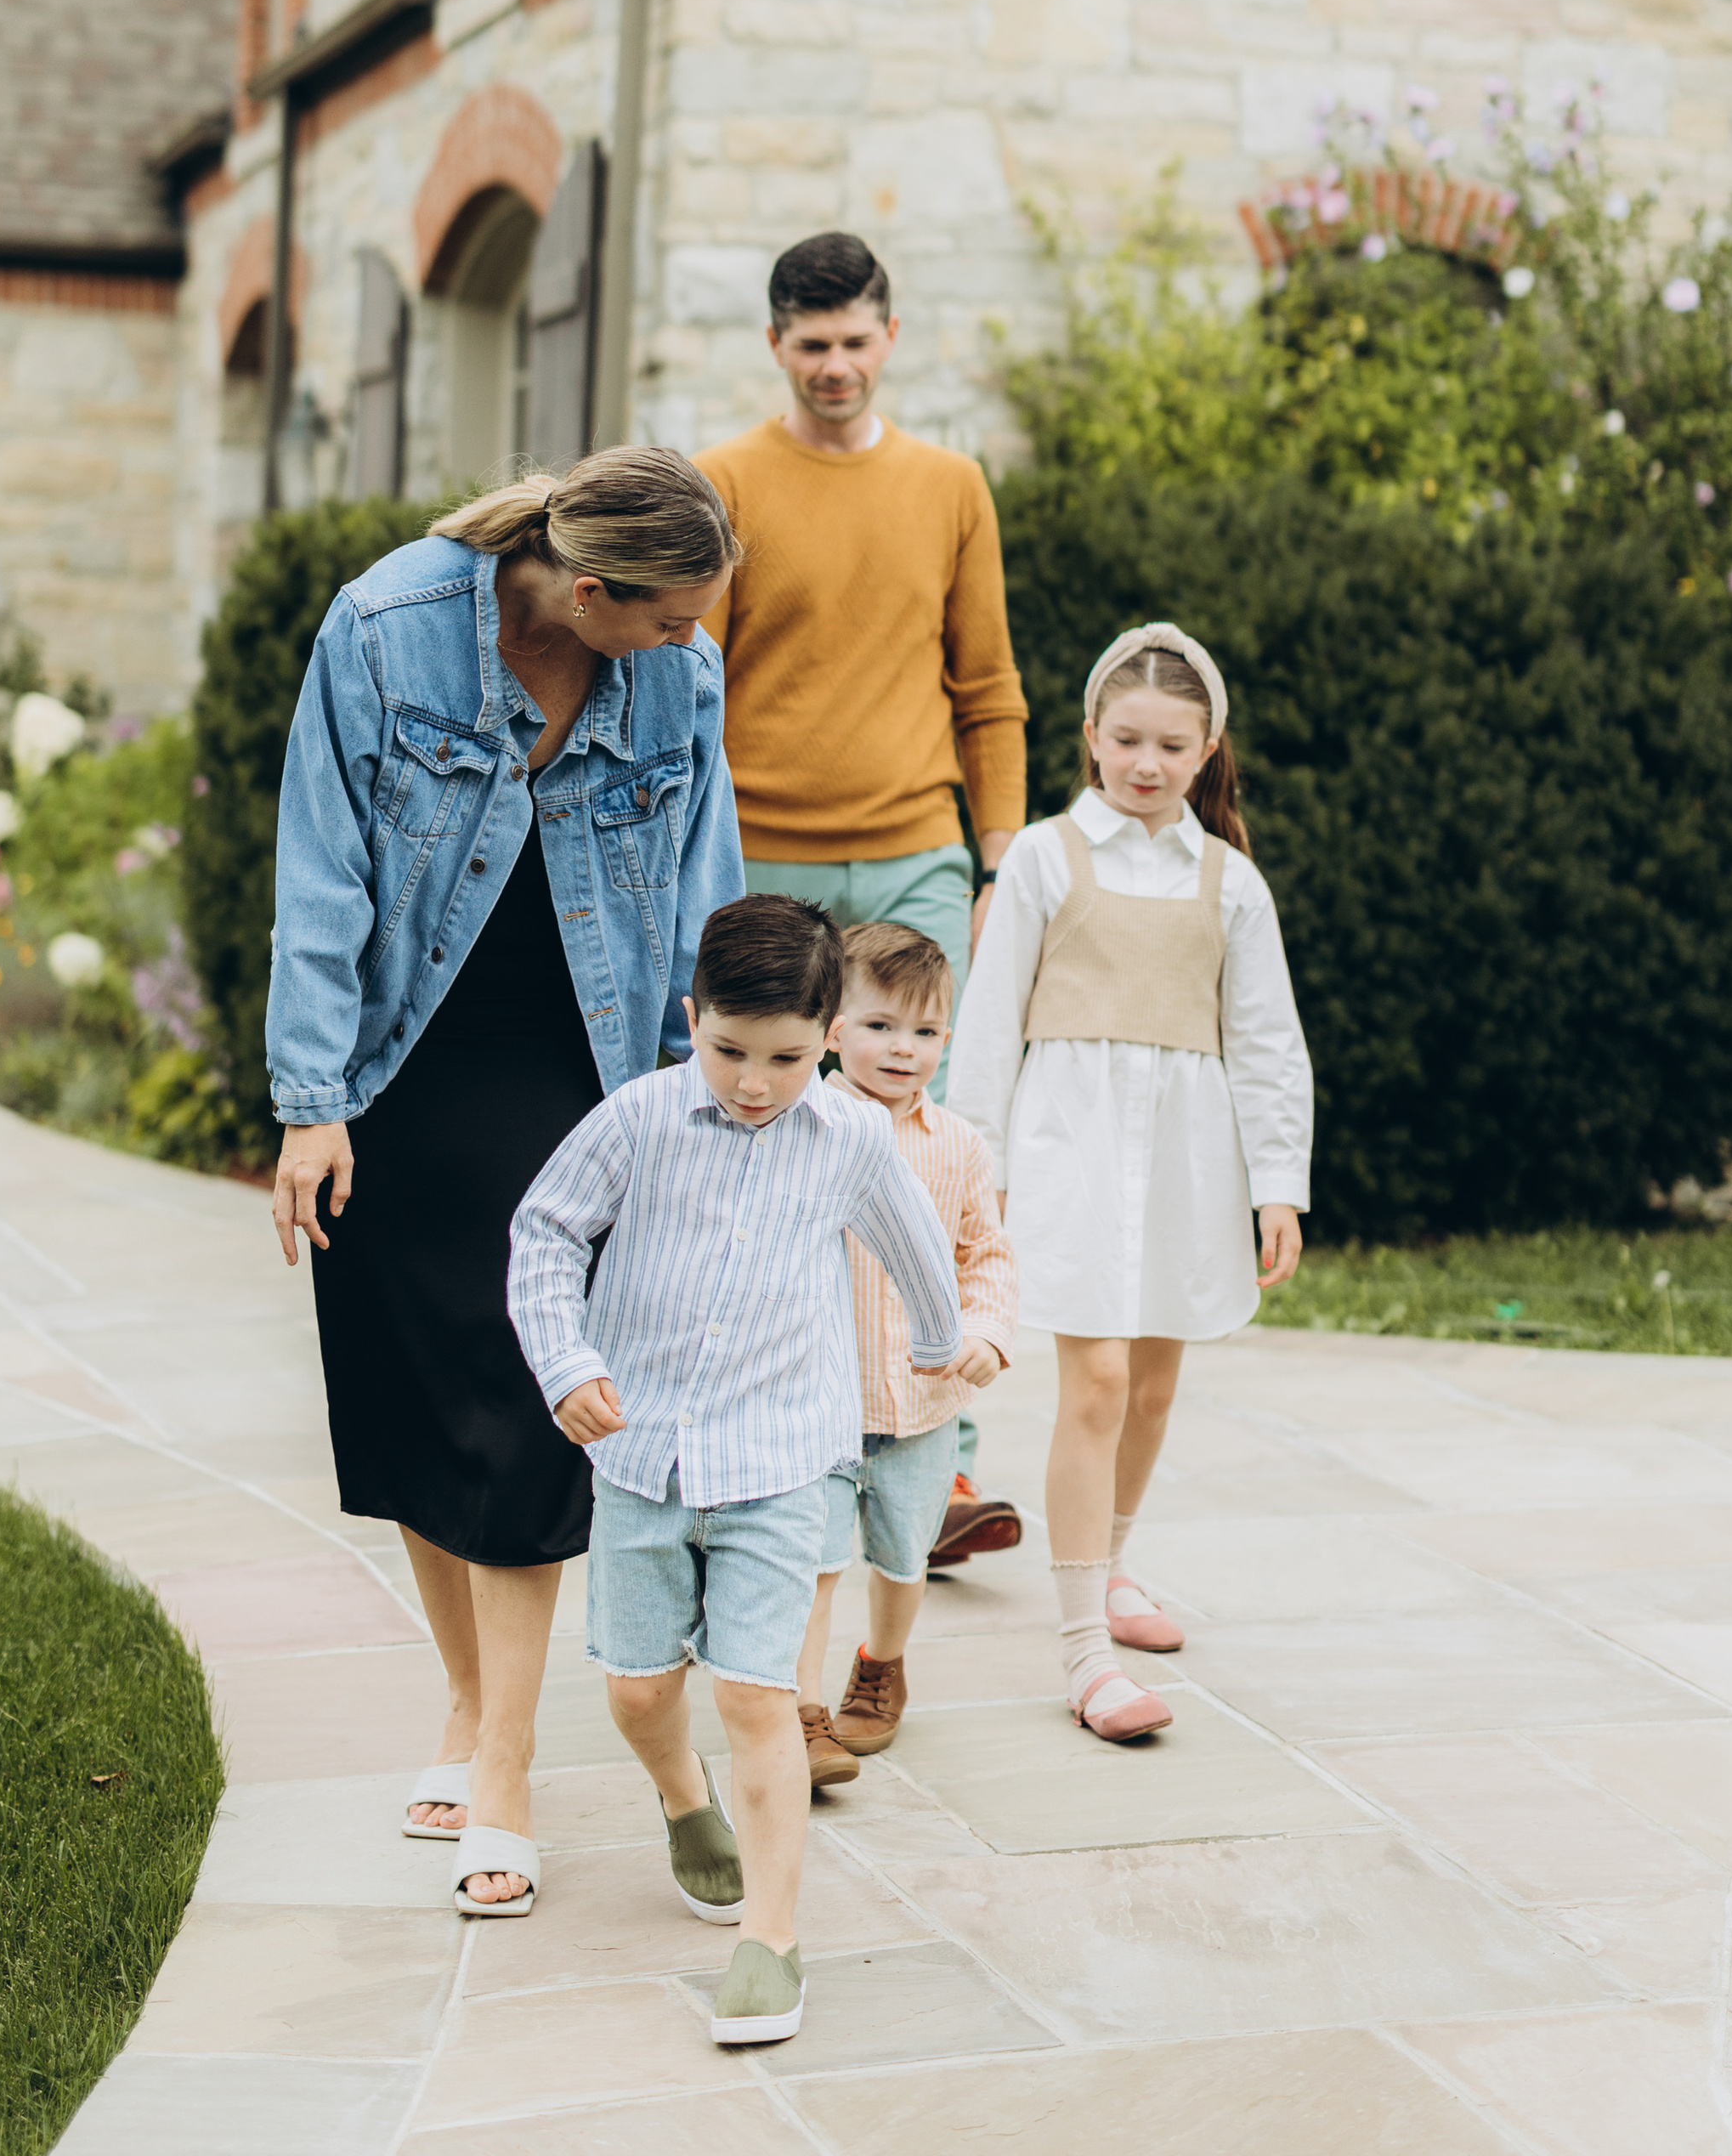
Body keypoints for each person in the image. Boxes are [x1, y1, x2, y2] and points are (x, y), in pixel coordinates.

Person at [266, 448, 744, 1918]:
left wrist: (714, 1094)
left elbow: (705, 881)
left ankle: (512, 1775)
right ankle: (472, 1710)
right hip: (406, 1055)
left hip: (577, 1060)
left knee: (533, 1399)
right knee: (421, 1392)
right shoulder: (384, 630)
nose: (692, 643)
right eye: (666, 618)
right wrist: (311, 1105)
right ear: (589, 592)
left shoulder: (679, 674)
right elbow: (321, 872)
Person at [507, 896, 960, 2046]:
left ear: (825, 1036)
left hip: (779, 1462)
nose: (755, 1083)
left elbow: (913, 1242)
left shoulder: (850, 1137)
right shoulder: (639, 1121)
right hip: (642, 1456)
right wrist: (565, 1364)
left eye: (789, 1059)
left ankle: (772, 1938)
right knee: (639, 1690)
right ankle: (679, 1798)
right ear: (692, 1016)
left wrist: (942, 1344)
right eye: (729, 1051)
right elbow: (546, 1233)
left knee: (758, 1694)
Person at [696, 228, 1027, 1565]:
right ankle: (787, 1427)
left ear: (891, 339)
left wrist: (996, 861)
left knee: (919, 1150)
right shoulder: (726, 483)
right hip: (763, 851)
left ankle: (938, 1459)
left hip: (911, 851)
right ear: (777, 345)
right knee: (772, 1143)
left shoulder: (951, 486)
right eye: (811, 344)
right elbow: (690, 688)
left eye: (855, 341)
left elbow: (987, 686)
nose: (835, 366)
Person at [947, 624, 1311, 1743]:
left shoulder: (1230, 881)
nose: (1147, 765)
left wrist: (1278, 1184)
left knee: (1153, 1388)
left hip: (1187, 1165)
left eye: (1172, 746)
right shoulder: (1048, 861)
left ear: (1207, 751)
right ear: (1092, 739)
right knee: (1095, 1382)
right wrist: (979, 1173)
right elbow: (989, 1020)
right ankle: (1082, 1650)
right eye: (1127, 741)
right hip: (1071, 1154)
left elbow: (1263, 1040)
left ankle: (1109, 1561)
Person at [795, 923, 1018, 1791]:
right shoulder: (799, 1123)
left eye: (924, 1033)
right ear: (831, 1028)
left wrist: (986, 1333)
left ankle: (880, 1664)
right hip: (818, 1402)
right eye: (880, 1025)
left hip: (921, 1408)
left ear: (947, 1042)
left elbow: (985, 1252)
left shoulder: (956, 1145)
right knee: (810, 1561)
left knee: (900, 1557)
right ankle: (799, 1710)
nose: (902, 1049)